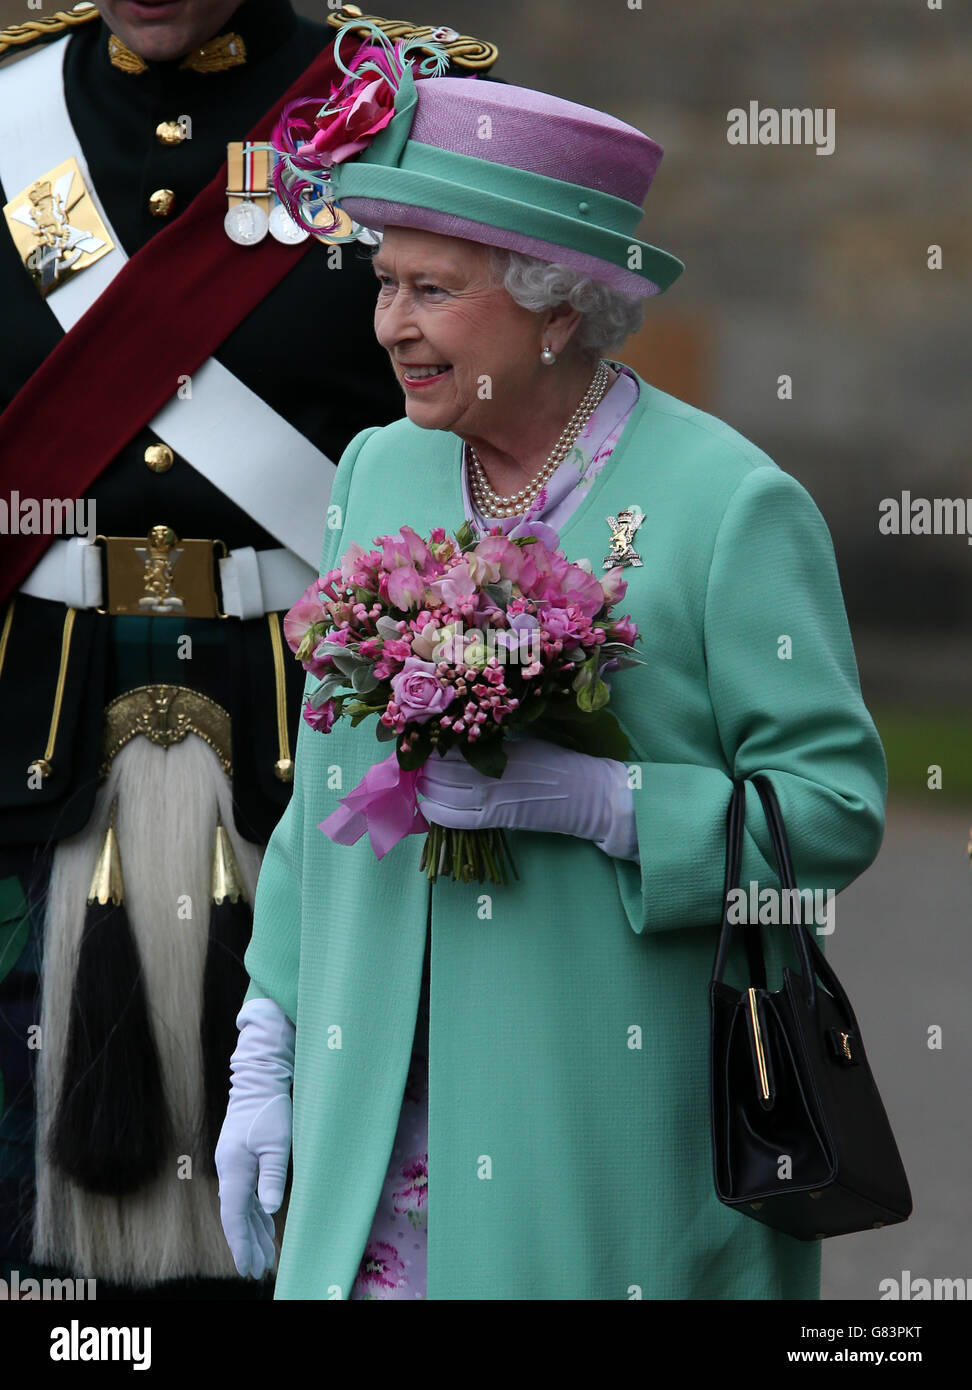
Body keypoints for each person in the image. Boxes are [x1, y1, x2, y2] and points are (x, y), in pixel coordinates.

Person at [215, 23, 887, 1300]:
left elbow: (835, 811)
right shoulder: (380, 469)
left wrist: (609, 806)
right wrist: (268, 1036)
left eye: (430, 289)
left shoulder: (728, 505)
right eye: (384, 280)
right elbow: (322, 797)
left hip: (604, 1130)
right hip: (379, 1124)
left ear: (556, 302)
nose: (388, 327)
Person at [0, 1, 497, 1295]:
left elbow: (491, 427)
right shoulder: (11, 114)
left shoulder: (399, 105)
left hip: (315, 745)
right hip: (36, 725)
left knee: (326, 1183)